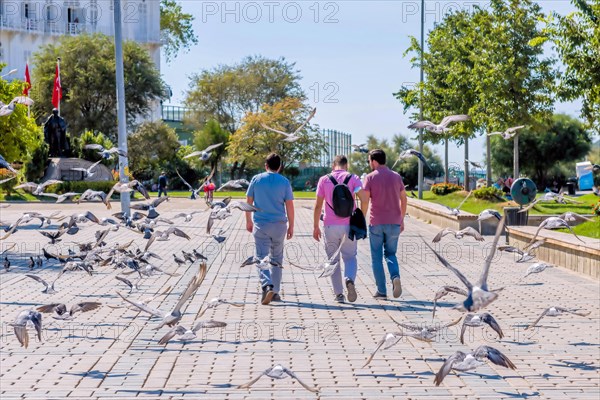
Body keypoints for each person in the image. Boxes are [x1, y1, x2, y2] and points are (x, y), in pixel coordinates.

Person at [313, 155, 367, 303]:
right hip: (349, 225)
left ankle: (339, 295)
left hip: (330, 225)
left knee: (333, 260)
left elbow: (318, 205)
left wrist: (315, 226)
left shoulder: (324, 179)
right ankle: (349, 279)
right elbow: (364, 198)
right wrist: (361, 216)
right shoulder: (353, 178)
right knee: (350, 257)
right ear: (346, 165)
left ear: (333, 165)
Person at [245, 153, 294, 305]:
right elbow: (289, 205)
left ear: (266, 166)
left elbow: (248, 201)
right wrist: (291, 225)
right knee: (277, 259)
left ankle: (267, 285)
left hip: (261, 225)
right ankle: (276, 292)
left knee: (261, 257)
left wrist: (248, 220)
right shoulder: (285, 182)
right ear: (279, 167)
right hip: (279, 225)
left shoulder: (256, 179)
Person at [362, 149, 407, 299]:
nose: (369, 164)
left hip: (376, 223)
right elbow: (404, 199)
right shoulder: (396, 177)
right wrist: (401, 219)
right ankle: (395, 277)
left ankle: (381, 291)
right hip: (394, 222)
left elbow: (365, 201)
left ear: (374, 161)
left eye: (369, 161)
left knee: (376, 257)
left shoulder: (369, 178)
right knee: (391, 254)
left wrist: (361, 218)